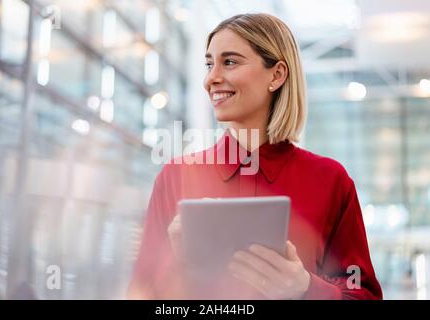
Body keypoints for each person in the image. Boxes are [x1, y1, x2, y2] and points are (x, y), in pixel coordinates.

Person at [128, 13, 382, 300]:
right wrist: (175, 264)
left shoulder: (329, 181)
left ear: (277, 74)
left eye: (230, 62)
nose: (211, 79)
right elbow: (142, 293)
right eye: (209, 64)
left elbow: (363, 295)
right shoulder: (176, 177)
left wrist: (305, 288)